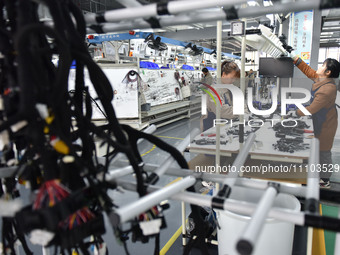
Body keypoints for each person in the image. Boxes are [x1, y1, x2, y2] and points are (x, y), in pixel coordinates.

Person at [292, 55, 340, 188]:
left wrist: (295, 113)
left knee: (324, 150)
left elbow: (311, 109)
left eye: (322, 66)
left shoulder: (327, 89)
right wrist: (295, 59)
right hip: (320, 119)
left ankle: (325, 180)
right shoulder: (322, 79)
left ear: (328, 72)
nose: (319, 68)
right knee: (318, 148)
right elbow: (309, 71)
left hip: (326, 124)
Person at [201, 60, 244, 131]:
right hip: (213, 128)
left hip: (226, 126)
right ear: (223, 74)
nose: (233, 80)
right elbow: (221, 110)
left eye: (235, 78)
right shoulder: (213, 90)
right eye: (232, 78)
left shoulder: (230, 88)